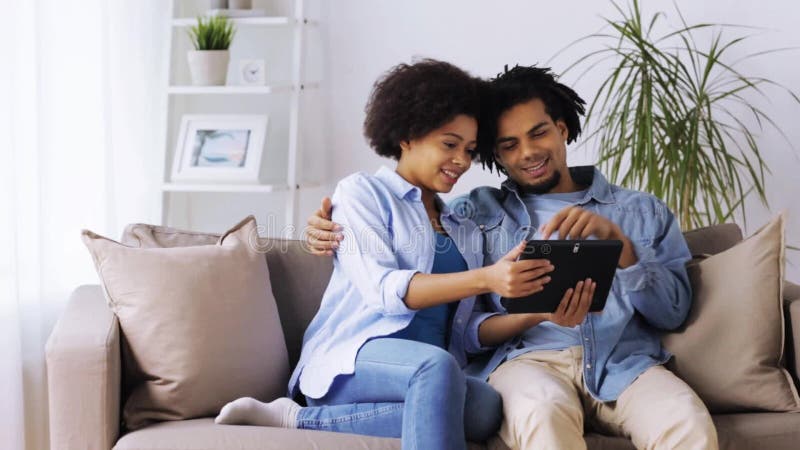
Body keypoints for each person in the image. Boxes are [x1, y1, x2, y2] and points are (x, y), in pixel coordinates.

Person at [305, 65, 719, 450]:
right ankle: (300, 417)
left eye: (538, 134)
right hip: (525, 365)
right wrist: (324, 228)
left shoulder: (641, 212)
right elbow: (411, 287)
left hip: (623, 363)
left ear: (561, 129)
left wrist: (622, 249)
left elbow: (673, 313)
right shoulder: (476, 214)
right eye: (508, 145)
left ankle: (297, 418)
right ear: (497, 156)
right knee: (539, 414)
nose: (527, 153)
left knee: (684, 420)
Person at [214, 59, 595, 450]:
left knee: (484, 409)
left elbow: (465, 332)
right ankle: (314, 406)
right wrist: (486, 277)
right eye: (449, 144)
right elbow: (383, 289)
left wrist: (537, 310)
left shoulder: (463, 224)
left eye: (469, 149)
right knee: (436, 367)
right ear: (408, 136)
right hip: (357, 362)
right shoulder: (362, 194)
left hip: (433, 372)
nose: (462, 161)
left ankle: (295, 418)